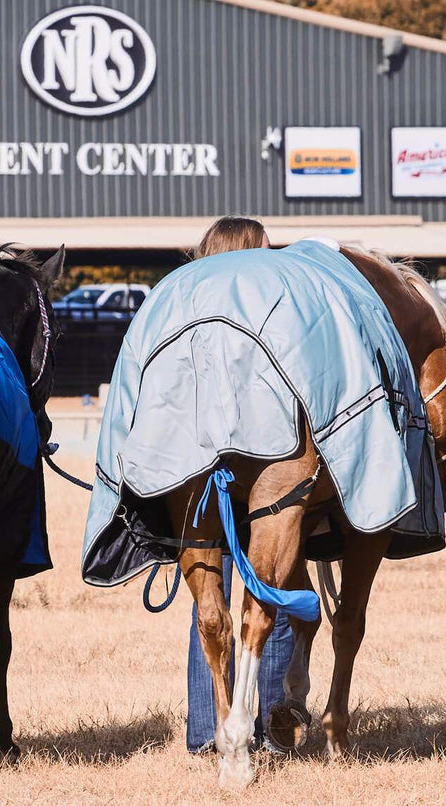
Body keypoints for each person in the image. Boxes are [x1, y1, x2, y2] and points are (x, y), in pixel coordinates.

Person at [183, 216, 295, 754]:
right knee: (273, 587)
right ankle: (269, 724)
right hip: (269, 471)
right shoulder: (275, 309)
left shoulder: (182, 309)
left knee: (208, 603)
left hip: (197, 474)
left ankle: (209, 729)